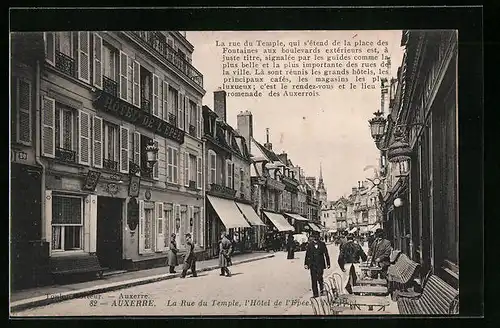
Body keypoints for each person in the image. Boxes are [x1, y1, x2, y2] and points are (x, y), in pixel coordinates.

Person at [304, 231, 331, 298]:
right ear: (313, 237)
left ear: (319, 236)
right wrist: (306, 264)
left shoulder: (322, 244)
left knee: (320, 277)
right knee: (313, 279)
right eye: (314, 236)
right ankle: (315, 294)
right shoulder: (310, 245)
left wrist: (328, 263)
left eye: (317, 236)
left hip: (320, 264)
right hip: (312, 264)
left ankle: (321, 289)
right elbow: (307, 255)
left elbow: (326, 254)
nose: (316, 237)